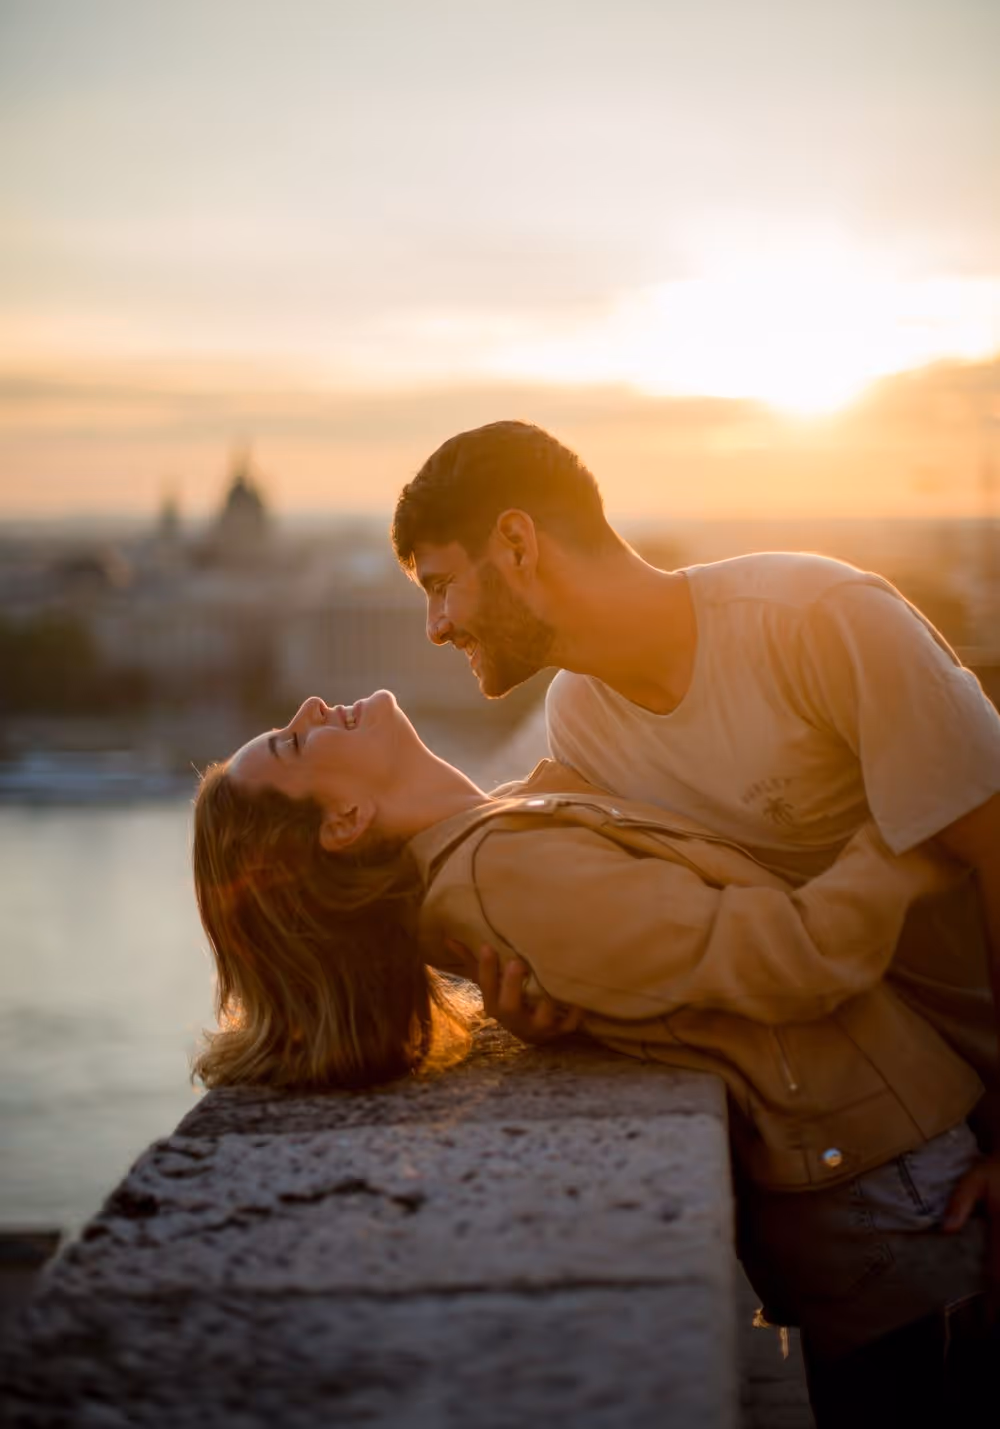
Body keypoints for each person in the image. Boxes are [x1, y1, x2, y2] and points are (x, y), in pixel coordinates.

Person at [392, 419, 1000, 1417]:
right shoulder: (583, 717)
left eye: (438, 583)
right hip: (894, 1128)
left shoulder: (817, 618)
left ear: (516, 543)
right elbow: (655, 918)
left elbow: (989, 847)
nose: (436, 626)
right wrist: (550, 1010)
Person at [192, 690, 991, 1423]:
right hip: (882, 1185)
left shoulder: (493, 844)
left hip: (874, 1171)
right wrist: (918, 831)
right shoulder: (503, 877)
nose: (310, 707)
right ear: (345, 820)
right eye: (294, 745)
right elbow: (793, 956)